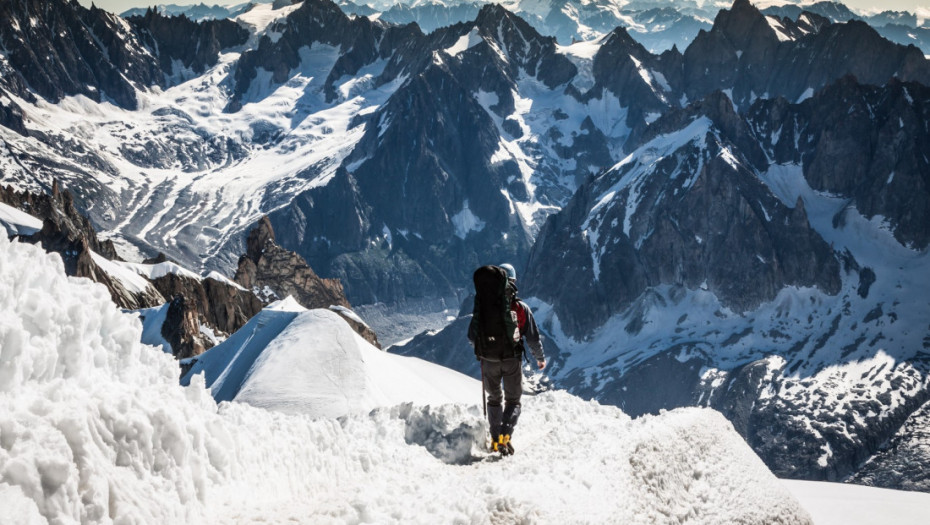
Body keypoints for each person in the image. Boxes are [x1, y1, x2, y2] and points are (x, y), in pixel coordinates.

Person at [468, 263, 545, 456]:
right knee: (513, 400)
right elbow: (533, 337)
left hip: (488, 360)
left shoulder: (483, 306)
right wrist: (539, 358)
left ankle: (494, 439)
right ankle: (505, 436)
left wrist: (484, 349)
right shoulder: (520, 307)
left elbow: (472, 335)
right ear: (513, 281)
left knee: (494, 399)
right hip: (511, 359)